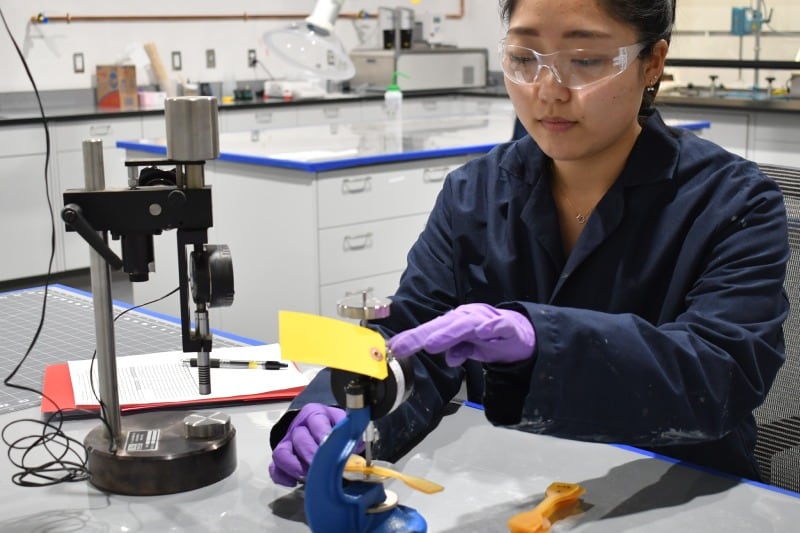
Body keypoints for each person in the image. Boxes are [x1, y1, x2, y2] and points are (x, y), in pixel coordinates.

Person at [268, 0, 789, 487]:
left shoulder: (733, 201)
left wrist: (544, 339)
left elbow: (722, 372)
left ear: (652, 62)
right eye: (523, 57)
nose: (548, 89)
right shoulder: (474, 192)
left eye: (585, 60)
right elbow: (413, 338)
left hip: (670, 485)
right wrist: (341, 404)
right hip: (509, 480)